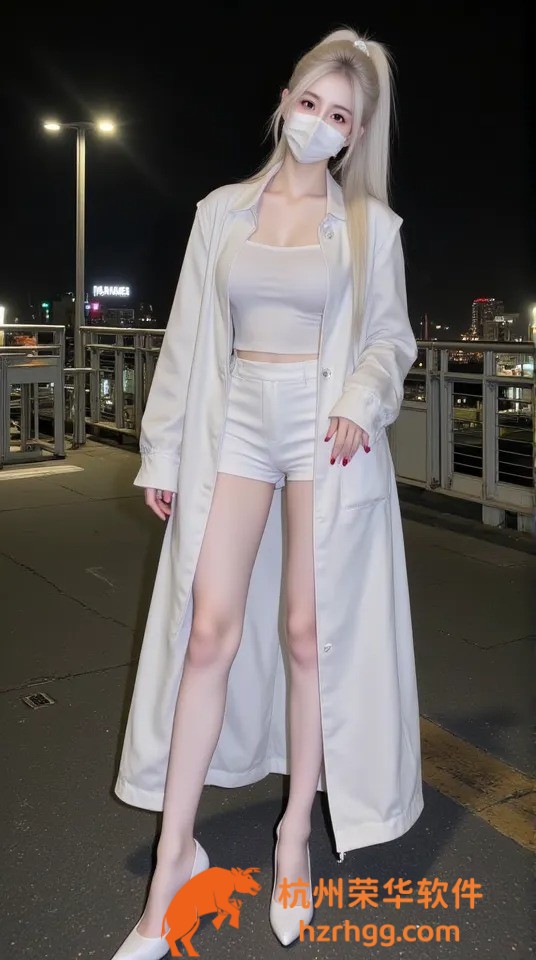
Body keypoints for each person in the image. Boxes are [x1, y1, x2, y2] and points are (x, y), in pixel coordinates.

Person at [111, 24, 424, 958]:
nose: (320, 123)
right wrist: (162, 452)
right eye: (311, 102)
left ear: (356, 135)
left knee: (305, 630)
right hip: (236, 419)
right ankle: (174, 861)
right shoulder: (221, 212)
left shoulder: (370, 227)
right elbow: (186, 339)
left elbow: (391, 339)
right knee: (208, 631)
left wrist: (363, 399)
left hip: (321, 430)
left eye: (342, 116)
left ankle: (294, 836)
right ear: (284, 102)